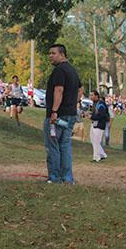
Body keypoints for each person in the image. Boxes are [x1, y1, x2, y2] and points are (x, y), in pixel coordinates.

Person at [44, 44, 82, 184]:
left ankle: (55, 177)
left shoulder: (59, 70)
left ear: (62, 54)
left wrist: (54, 111)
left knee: (52, 145)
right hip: (70, 114)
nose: (50, 56)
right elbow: (80, 90)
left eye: (53, 53)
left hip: (57, 116)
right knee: (65, 145)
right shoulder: (72, 70)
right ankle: (67, 177)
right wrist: (72, 103)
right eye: (49, 53)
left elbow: (58, 90)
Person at [89, 90, 109, 163]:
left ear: (96, 96)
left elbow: (101, 115)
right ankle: (102, 154)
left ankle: (96, 157)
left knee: (97, 141)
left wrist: (92, 116)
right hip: (94, 124)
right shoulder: (95, 103)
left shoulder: (101, 104)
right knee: (92, 140)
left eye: (92, 95)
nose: (91, 97)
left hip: (100, 125)